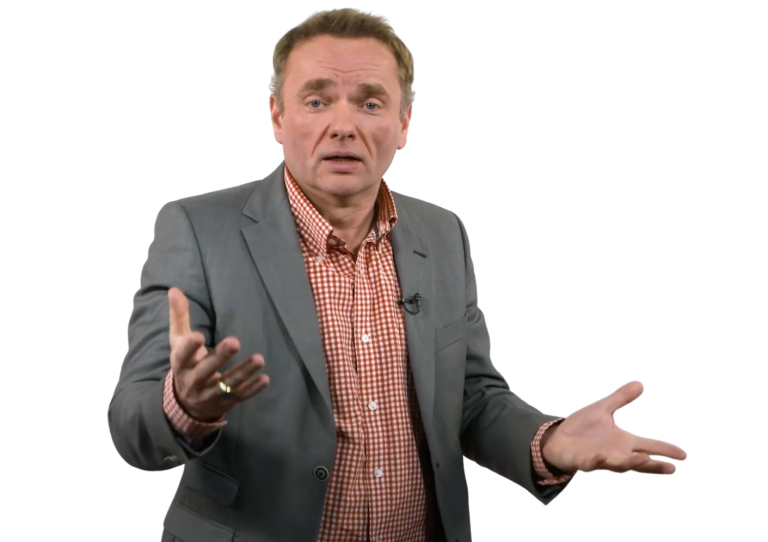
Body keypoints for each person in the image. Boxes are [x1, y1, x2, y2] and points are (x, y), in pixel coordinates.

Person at [107, 7, 687, 542]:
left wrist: (550, 441)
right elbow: (131, 428)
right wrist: (186, 404)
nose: (343, 124)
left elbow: (472, 398)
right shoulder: (195, 228)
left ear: (404, 122)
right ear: (276, 114)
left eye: (370, 103)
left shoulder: (443, 232)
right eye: (316, 100)